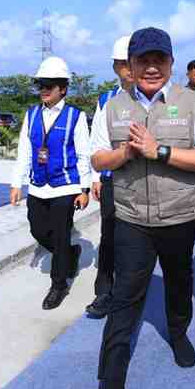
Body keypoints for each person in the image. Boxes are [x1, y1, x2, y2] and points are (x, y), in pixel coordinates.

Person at [76, 27, 195, 389]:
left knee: (179, 281)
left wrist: (158, 151)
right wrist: (125, 152)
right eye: (144, 59)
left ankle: (178, 333)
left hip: (179, 215)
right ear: (131, 65)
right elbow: (96, 160)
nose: (152, 67)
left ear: (171, 63)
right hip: (130, 218)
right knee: (125, 297)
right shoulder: (112, 107)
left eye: (160, 59)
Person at [9, 56, 91, 310]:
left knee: (61, 231)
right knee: (38, 230)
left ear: (62, 88)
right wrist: (16, 183)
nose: (44, 90)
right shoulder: (32, 115)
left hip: (65, 186)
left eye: (49, 85)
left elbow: (83, 154)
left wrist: (84, 189)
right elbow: (24, 151)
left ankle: (59, 285)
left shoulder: (75, 117)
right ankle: (69, 253)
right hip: (37, 186)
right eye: (40, 85)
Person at [86, 35, 134, 318]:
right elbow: (97, 142)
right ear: (115, 67)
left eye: (132, 62)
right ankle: (104, 292)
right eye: (122, 64)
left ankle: (130, 289)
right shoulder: (105, 99)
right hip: (111, 179)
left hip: (142, 179)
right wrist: (95, 177)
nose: (128, 68)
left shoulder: (153, 96)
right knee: (110, 235)